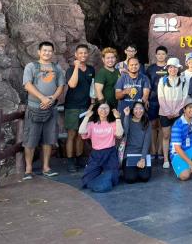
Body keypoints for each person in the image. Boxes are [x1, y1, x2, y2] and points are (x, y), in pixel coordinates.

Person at [22, 41, 65, 180]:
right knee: (30, 139)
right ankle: (28, 169)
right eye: (44, 50)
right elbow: (27, 84)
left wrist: (51, 99)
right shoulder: (31, 66)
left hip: (51, 108)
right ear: (39, 52)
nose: (47, 53)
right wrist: (42, 98)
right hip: (35, 107)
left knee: (49, 138)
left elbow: (61, 86)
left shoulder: (57, 68)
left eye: (50, 51)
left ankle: (46, 167)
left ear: (53, 53)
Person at [79, 102, 123, 192]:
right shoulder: (91, 124)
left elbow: (119, 134)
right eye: (101, 108)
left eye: (106, 108)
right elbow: (81, 131)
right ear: (97, 110)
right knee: (86, 180)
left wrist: (118, 118)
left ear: (110, 110)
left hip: (110, 153)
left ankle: (104, 177)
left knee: (114, 179)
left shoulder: (113, 123)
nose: (103, 110)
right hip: (96, 154)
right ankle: (103, 178)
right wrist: (87, 117)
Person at [64, 44, 95, 172]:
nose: (83, 55)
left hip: (86, 106)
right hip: (72, 106)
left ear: (88, 55)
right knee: (71, 134)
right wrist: (76, 66)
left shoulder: (91, 70)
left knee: (81, 134)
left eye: (85, 53)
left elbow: (93, 88)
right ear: (76, 55)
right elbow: (72, 84)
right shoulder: (71, 69)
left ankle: (79, 158)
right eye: (80, 53)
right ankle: (70, 161)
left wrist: (92, 104)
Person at [158, 58, 189, 169]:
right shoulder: (162, 80)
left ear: (178, 68)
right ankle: (166, 159)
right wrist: (167, 112)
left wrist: (177, 112)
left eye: (175, 67)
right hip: (164, 113)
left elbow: (185, 97)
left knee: (179, 137)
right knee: (166, 135)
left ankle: (178, 158)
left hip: (178, 113)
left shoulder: (183, 80)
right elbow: (160, 97)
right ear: (167, 69)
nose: (172, 69)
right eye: (170, 67)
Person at [146, 46, 169, 160]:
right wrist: (146, 99)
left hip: (166, 101)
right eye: (159, 54)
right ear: (155, 55)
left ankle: (160, 151)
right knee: (153, 125)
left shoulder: (170, 68)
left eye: (163, 54)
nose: (161, 56)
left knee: (162, 126)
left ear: (166, 55)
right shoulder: (151, 69)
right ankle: (152, 150)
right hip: (153, 100)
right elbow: (147, 85)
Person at [122, 101, 152, 183]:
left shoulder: (147, 122)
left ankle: (138, 169)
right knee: (130, 179)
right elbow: (125, 132)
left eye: (141, 108)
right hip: (129, 154)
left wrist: (142, 158)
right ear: (132, 110)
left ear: (144, 110)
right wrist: (126, 115)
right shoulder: (128, 120)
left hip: (142, 154)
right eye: (136, 108)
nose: (138, 111)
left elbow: (147, 142)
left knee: (145, 177)